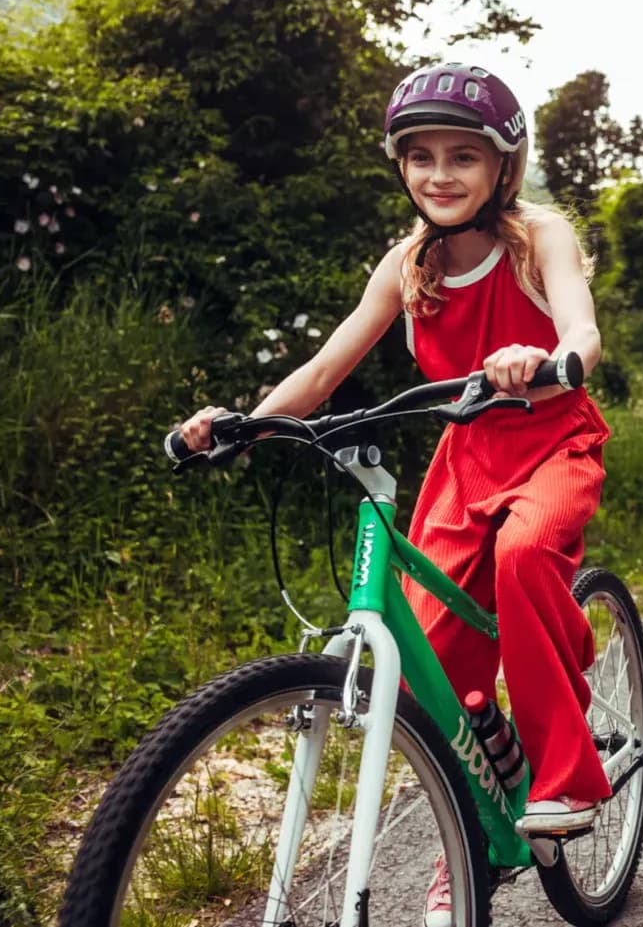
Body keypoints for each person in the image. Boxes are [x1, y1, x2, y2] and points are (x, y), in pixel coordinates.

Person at [175, 62, 612, 920]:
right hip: (464, 461)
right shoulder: (406, 265)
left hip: (554, 440)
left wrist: (549, 358)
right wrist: (240, 424)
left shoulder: (538, 236)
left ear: (502, 168)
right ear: (400, 166)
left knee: (526, 559)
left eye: (462, 157)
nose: (440, 175)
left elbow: (582, 325)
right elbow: (327, 367)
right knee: (427, 665)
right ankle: (475, 836)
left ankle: (567, 770)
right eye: (421, 157)